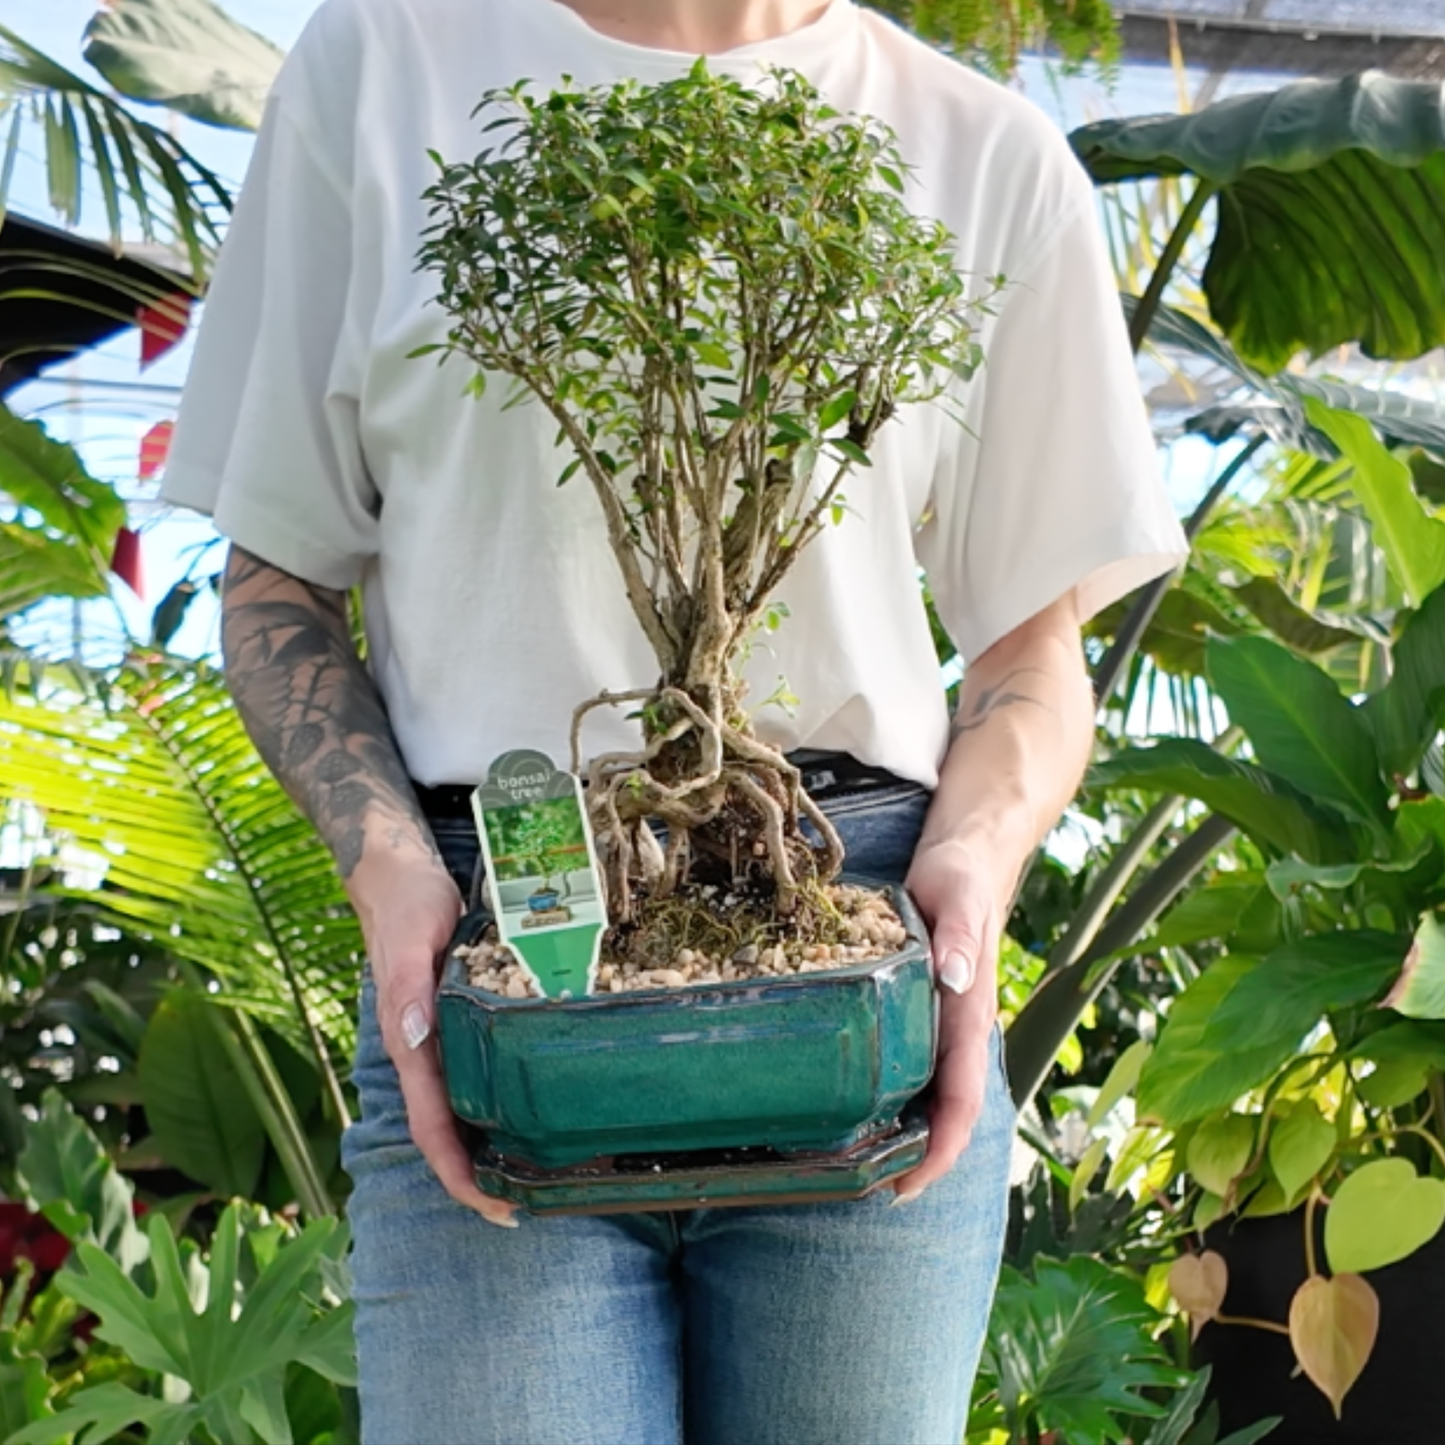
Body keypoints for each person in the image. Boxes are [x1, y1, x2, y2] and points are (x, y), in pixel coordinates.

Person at [162, 1, 1188, 1440]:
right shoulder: (380, 70)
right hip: (499, 970)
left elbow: (1029, 655)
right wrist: (391, 874)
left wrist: (976, 879)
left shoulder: (983, 156)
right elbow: (277, 592)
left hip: (849, 975)